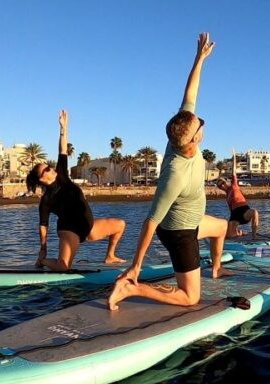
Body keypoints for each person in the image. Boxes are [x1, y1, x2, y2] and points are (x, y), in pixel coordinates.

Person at [108, 32, 229, 311]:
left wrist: (199, 59)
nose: (202, 123)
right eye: (201, 125)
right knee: (190, 298)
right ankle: (131, 288)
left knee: (221, 227)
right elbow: (151, 220)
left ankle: (217, 268)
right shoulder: (176, 174)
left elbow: (190, 93)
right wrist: (136, 265)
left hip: (195, 220)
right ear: (195, 139)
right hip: (179, 231)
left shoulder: (180, 134)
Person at [25, 110, 126, 271]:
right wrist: (43, 249)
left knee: (120, 225)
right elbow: (43, 225)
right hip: (69, 230)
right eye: (48, 169)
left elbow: (62, 150)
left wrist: (63, 128)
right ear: (42, 179)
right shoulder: (46, 200)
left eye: (50, 166)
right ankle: (42, 262)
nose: (52, 168)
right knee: (63, 267)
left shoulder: (62, 175)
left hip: (88, 227)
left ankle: (110, 256)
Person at [216, 150, 260, 239]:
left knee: (255, 212)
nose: (222, 185)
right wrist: (233, 225)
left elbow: (233, 171)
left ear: (226, 182)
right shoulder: (227, 197)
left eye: (223, 183)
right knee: (229, 236)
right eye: (220, 186)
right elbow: (231, 210)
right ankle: (238, 233)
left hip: (244, 210)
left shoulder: (234, 185)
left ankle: (254, 235)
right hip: (235, 215)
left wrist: (234, 157)